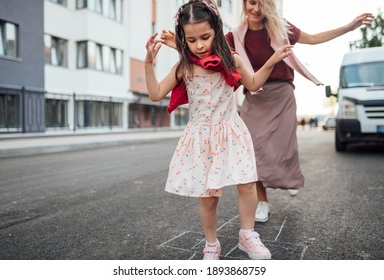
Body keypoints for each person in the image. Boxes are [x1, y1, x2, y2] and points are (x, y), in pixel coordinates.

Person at [162, 0, 374, 223]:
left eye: (261, 4)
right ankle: (263, 201)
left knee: (283, 147)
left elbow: (312, 39)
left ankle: (287, 177)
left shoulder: (282, 27)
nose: (256, 9)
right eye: (252, 3)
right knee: (254, 150)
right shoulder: (235, 35)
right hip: (254, 95)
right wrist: (178, 44)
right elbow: (209, 54)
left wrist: (349, 27)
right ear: (244, 4)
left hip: (281, 93)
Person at [145, 0, 292, 260]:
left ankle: (248, 235)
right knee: (209, 196)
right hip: (201, 138)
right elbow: (156, 93)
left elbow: (254, 81)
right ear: (183, 39)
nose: (199, 45)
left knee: (247, 184)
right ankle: (211, 244)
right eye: (191, 40)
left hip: (231, 131)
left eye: (205, 37)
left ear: (216, 30)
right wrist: (148, 63)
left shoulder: (231, 60)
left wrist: (271, 60)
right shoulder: (184, 67)